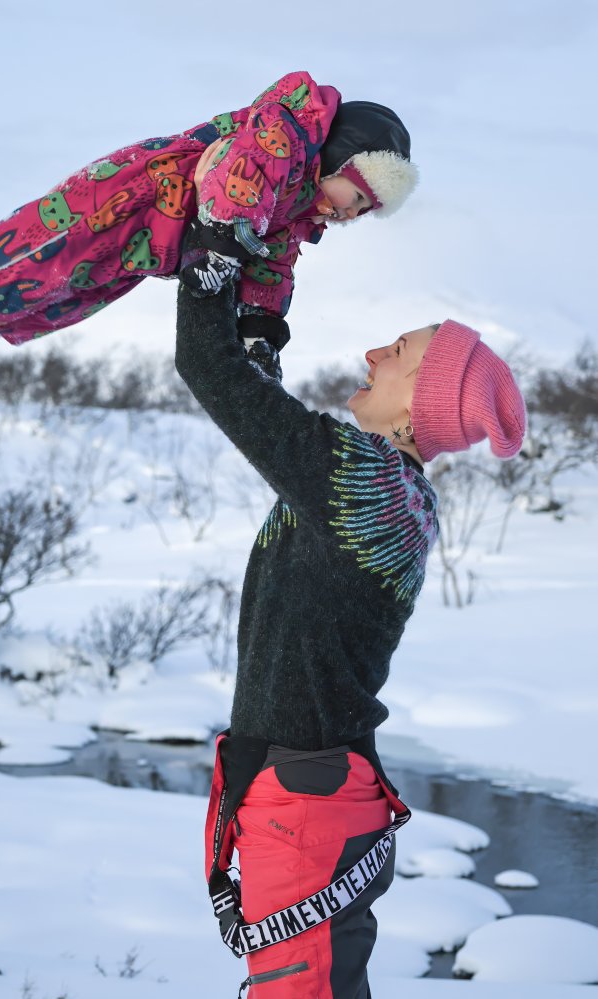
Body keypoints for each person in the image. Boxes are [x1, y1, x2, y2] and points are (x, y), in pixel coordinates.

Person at [174, 219, 526, 996]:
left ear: (416, 406)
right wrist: (260, 332)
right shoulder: (390, 491)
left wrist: (214, 245)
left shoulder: (364, 481)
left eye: (396, 352)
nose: (373, 353)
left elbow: (204, 365)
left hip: (305, 804)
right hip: (311, 791)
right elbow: (269, 419)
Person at [0, 70, 418, 379]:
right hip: (136, 193)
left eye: (362, 212)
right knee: (55, 249)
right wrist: (224, 243)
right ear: (338, 159)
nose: (349, 214)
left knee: (78, 289)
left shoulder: (294, 217)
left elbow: (273, 266)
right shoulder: (282, 138)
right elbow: (241, 175)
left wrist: (259, 330)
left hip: (156, 245)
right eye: (355, 197)